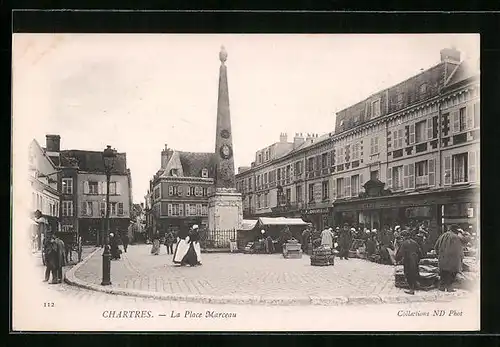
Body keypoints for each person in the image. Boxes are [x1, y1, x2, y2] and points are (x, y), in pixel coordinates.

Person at [434, 225, 465, 292]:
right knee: (452, 274)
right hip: (453, 260)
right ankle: (449, 287)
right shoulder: (456, 237)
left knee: (443, 274)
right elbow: (459, 249)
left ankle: (442, 287)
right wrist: (461, 257)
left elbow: (436, 246)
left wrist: (439, 255)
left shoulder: (442, 236)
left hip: (442, 259)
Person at [395, 230, 423, 295]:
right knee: (415, 272)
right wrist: (418, 259)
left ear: (404, 237)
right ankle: (415, 285)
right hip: (415, 260)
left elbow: (400, 253)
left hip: (408, 260)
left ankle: (411, 289)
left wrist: (397, 259)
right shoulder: (415, 242)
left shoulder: (404, 243)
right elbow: (420, 252)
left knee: (408, 274)